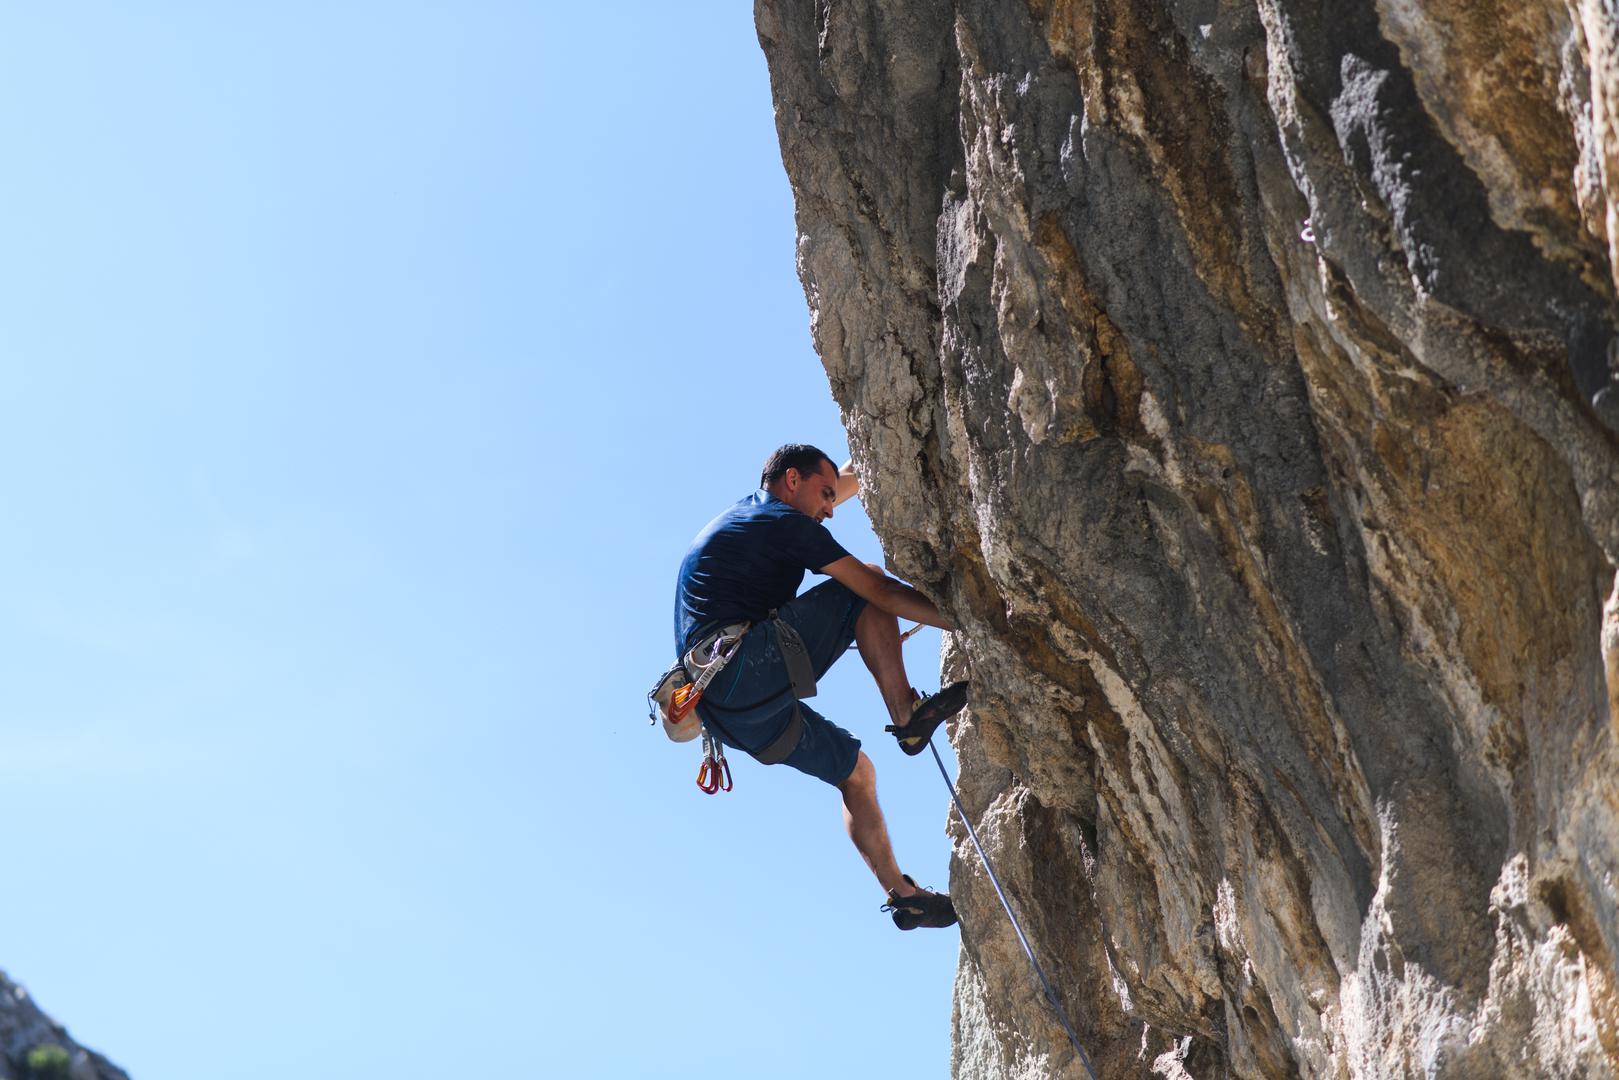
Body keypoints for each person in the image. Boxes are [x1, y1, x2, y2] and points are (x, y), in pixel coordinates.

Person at [673, 443, 970, 930]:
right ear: (793, 480)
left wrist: (878, 444)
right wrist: (970, 622)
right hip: (744, 670)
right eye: (825, 495)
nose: (832, 509)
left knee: (856, 773)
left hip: (729, 717)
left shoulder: (761, 516)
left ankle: (904, 896)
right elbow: (879, 593)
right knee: (867, 581)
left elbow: (848, 479)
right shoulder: (782, 524)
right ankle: (907, 716)